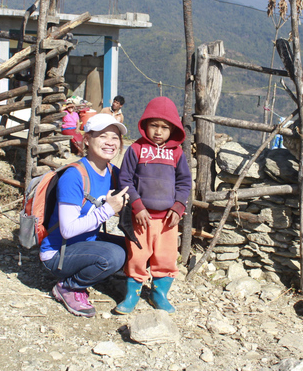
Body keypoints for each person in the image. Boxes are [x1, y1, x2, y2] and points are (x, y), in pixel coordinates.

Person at [40, 113, 130, 317]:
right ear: (87, 139)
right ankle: (68, 287)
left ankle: (97, 273)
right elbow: (68, 229)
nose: (110, 142)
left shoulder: (112, 172)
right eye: (103, 136)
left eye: (115, 137)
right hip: (58, 252)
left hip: (87, 242)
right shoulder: (74, 175)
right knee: (115, 256)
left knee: (138, 249)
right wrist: (108, 209)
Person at [114, 96, 192, 314]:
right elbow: (125, 180)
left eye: (165, 127)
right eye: (154, 125)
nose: (158, 131)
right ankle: (132, 294)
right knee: (137, 256)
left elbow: (185, 182)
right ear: (145, 124)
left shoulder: (177, 153)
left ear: (173, 129)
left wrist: (178, 207)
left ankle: (159, 294)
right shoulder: (136, 149)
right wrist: (137, 206)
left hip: (167, 219)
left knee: (166, 257)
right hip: (141, 218)